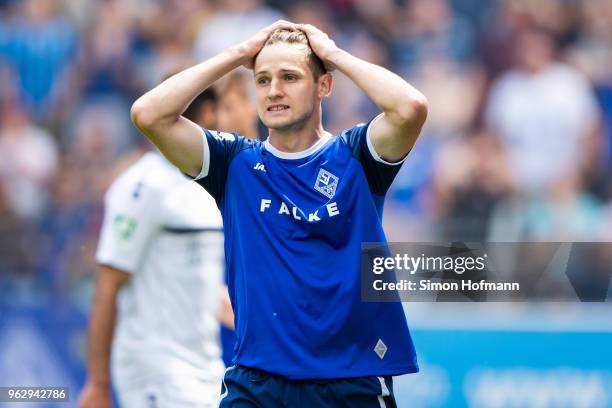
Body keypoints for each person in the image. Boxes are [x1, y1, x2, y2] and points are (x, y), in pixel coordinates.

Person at [131, 21, 428, 407]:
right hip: (257, 384)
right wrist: (238, 55)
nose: (274, 91)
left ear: (324, 86)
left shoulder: (355, 157)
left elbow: (411, 107)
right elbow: (148, 114)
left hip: (349, 381)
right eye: (263, 79)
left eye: (290, 77)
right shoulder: (233, 163)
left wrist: (333, 55)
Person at [78, 87, 233, 408]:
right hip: (156, 372)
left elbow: (198, 284)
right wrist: (97, 383)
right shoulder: (142, 186)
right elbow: (107, 284)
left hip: (205, 369)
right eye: (226, 109)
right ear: (207, 114)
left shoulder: (206, 186)